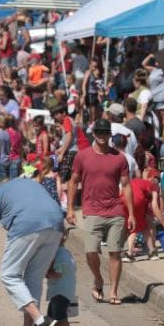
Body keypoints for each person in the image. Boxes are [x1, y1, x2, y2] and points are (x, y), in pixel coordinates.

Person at [0, 177, 65, 326]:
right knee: (33, 279)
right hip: (57, 224)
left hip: (27, 225)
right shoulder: (31, 184)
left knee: (9, 274)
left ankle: (40, 321)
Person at [66, 118, 133, 305]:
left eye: (105, 133)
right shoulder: (82, 156)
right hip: (92, 210)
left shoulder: (119, 158)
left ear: (109, 135)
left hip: (115, 210)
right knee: (90, 251)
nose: (102, 136)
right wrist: (70, 208)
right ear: (93, 134)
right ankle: (98, 279)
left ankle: (113, 291)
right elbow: (73, 182)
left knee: (115, 252)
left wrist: (132, 214)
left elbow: (127, 186)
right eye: (99, 133)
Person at [43, 238, 77, 326]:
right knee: (52, 315)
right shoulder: (65, 253)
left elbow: (57, 274)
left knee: (60, 316)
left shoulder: (60, 255)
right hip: (62, 290)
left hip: (61, 291)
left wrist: (46, 272)